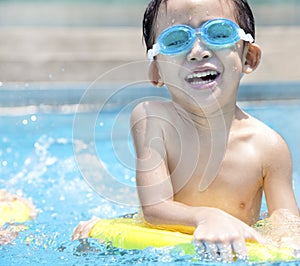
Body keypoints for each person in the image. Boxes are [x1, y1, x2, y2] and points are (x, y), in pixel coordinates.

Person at [73, 0, 300, 259]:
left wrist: (283, 242)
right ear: (156, 70)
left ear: (249, 57)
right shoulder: (152, 119)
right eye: (176, 39)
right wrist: (209, 217)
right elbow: (155, 209)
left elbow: (287, 223)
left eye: (219, 33)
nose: (197, 52)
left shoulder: (268, 147)